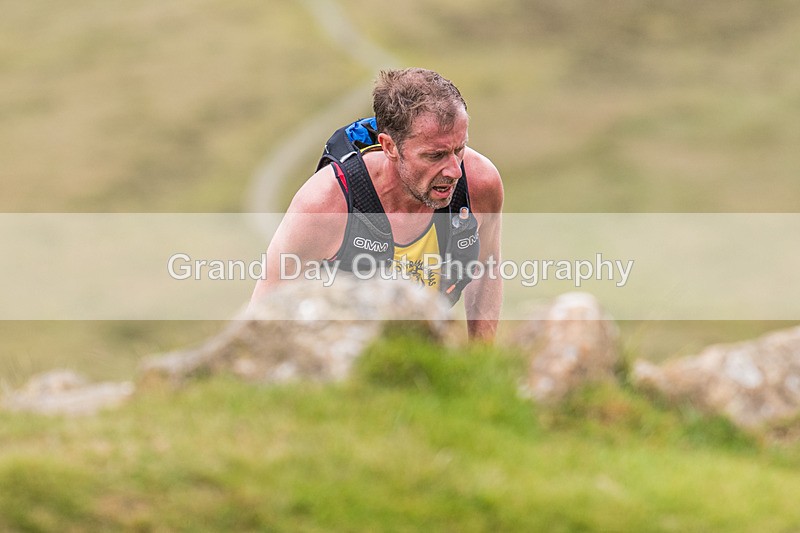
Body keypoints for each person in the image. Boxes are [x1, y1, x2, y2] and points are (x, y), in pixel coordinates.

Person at [250, 68, 503, 342]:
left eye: (459, 149)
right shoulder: (324, 204)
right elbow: (263, 315)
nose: (454, 170)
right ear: (389, 147)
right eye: (435, 156)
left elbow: (486, 268)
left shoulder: (480, 183)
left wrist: (481, 358)